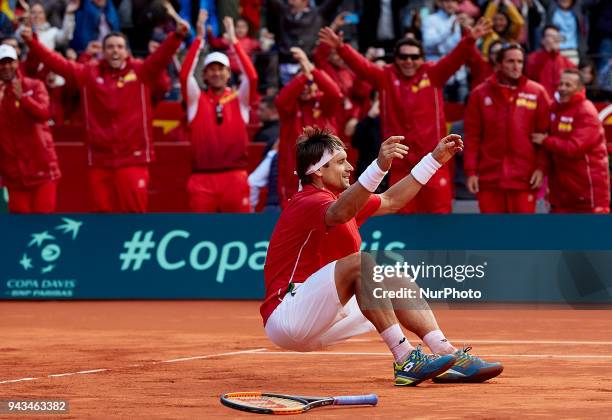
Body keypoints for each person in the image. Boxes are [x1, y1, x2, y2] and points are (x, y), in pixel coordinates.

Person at [262, 126, 503, 385]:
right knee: (361, 263)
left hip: (323, 316)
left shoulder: (344, 200)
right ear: (318, 170)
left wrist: (433, 160)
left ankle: (447, 355)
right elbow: (340, 213)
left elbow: (390, 200)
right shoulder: (308, 201)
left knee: (396, 281)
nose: (350, 168)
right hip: (288, 314)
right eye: (341, 162)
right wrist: (379, 166)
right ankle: (405, 358)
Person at [319, 18, 491, 213]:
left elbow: (455, 58)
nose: (408, 61)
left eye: (414, 56)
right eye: (403, 57)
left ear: (422, 58)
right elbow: (363, 67)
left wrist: (469, 41)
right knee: (403, 221)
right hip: (401, 165)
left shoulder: (434, 74)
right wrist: (341, 48)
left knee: (439, 219)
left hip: (434, 161)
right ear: (396, 58)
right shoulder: (386, 76)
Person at [21, 19, 189, 212]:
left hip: (133, 160)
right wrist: (32, 42)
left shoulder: (141, 72)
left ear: (126, 51)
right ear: (103, 51)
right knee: (102, 218)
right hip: (100, 161)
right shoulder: (88, 74)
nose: (115, 51)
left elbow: (161, 57)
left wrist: (176, 36)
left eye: (119, 47)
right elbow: (56, 63)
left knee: (134, 216)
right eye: (109, 47)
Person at [179, 12, 257, 213]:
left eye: (221, 68)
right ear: (204, 74)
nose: (216, 73)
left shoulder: (240, 99)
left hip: (235, 177)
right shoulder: (197, 99)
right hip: (201, 179)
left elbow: (252, 77)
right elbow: (185, 74)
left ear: (228, 73)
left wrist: (234, 42)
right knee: (200, 234)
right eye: (211, 69)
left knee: (239, 232)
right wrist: (198, 38)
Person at [464, 43, 551, 213]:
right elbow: (472, 137)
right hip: (490, 178)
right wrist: (471, 172)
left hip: (524, 177)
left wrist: (541, 168)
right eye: (511, 61)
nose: (516, 66)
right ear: (499, 64)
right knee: (492, 234)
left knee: (522, 235)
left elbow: (545, 134)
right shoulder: (479, 94)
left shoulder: (537, 92)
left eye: (519, 61)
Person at [532, 69, 610, 213]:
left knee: (590, 235)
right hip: (562, 191)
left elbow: (574, 148)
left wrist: (546, 141)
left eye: (568, 85)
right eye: (560, 84)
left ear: (580, 88)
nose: (562, 88)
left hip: (587, 192)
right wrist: (541, 168)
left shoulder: (586, 111)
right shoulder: (554, 109)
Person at [275, 46, 342, 205]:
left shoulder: (325, 105)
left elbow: (335, 93)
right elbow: (280, 101)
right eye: (301, 83)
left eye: (309, 83)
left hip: (327, 176)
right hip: (295, 177)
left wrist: (311, 69)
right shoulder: (290, 109)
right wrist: (305, 76)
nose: (305, 87)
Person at [0, 44, 61, 213]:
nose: (6, 67)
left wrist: (23, 99)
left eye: (10, 62)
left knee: (43, 223)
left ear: (18, 63)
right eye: (2, 63)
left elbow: (44, 113)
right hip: (14, 175)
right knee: (20, 227)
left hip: (42, 169)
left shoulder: (34, 85)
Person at [526, 24, 575, 98]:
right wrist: (547, 53)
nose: (554, 39)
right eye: (550, 36)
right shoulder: (533, 58)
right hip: (539, 102)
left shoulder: (568, 63)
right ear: (542, 40)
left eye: (556, 36)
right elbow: (530, 77)